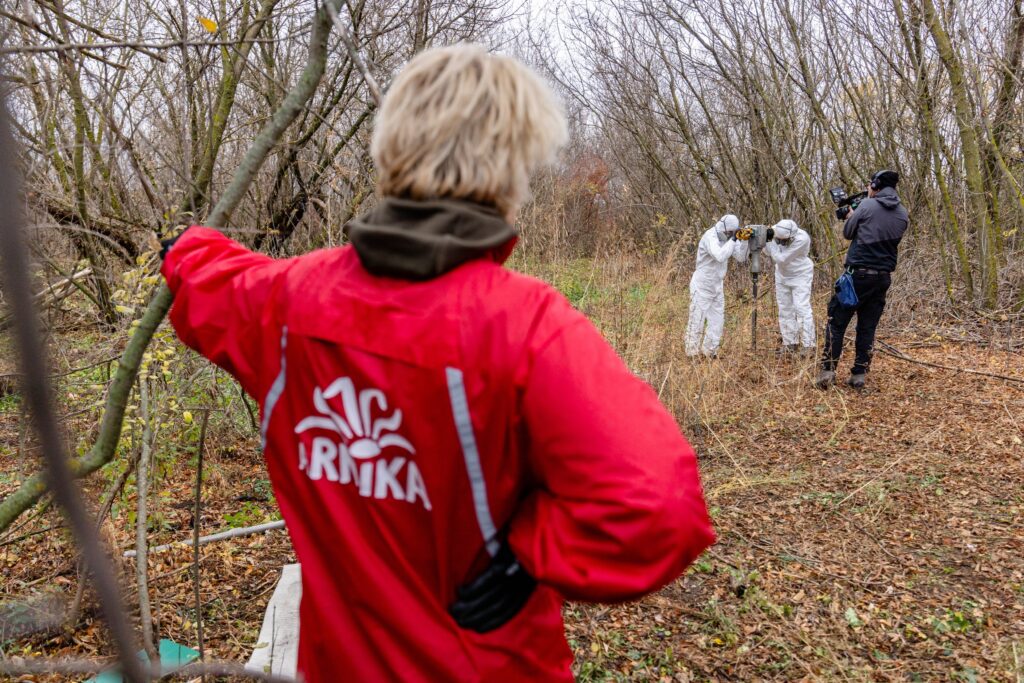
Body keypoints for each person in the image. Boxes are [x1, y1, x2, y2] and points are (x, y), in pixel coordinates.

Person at [159, 44, 715, 682]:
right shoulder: (524, 328)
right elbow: (659, 508)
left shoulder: (285, 302)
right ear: (510, 171)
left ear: (391, 149)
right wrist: (532, 555)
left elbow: (212, 279)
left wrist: (185, 249)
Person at [816, 169, 909, 389]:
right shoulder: (903, 212)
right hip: (882, 278)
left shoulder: (867, 205)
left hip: (857, 276)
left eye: (870, 184)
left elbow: (848, 233)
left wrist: (852, 216)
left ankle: (828, 371)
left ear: (875, 185)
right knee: (867, 326)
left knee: (836, 322)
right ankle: (859, 374)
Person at [685, 215, 747, 357]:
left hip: (717, 285)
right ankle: (692, 353)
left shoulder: (729, 238)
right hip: (702, 284)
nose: (729, 235)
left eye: (732, 233)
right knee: (697, 319)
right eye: (728, 233)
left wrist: (744, 241)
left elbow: (741, 257)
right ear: (722, 228)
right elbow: (720, 255)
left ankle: (710, 351)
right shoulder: (710, 237)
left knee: (717, 320)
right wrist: (734, 239)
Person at [765, 219, 814, 356]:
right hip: (782, 275)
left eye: (784, 241)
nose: (781, 243)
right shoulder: (774, 230)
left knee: (801, 308)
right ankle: (790, 343)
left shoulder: (802, 238)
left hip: (800, 275)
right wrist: (766, 238)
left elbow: (781, 259)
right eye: (778, 240)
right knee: (785, 309)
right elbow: (768, 252)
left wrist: (770, 242)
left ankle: (809, 345)